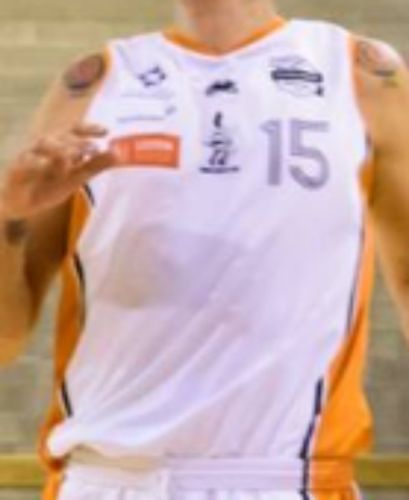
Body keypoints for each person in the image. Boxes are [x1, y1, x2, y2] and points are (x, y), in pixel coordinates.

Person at [0, 0, 408, 499]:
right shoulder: (91, 83)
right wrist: (9, 217)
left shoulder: (359, 71)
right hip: (104, 477)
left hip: (283, 477)